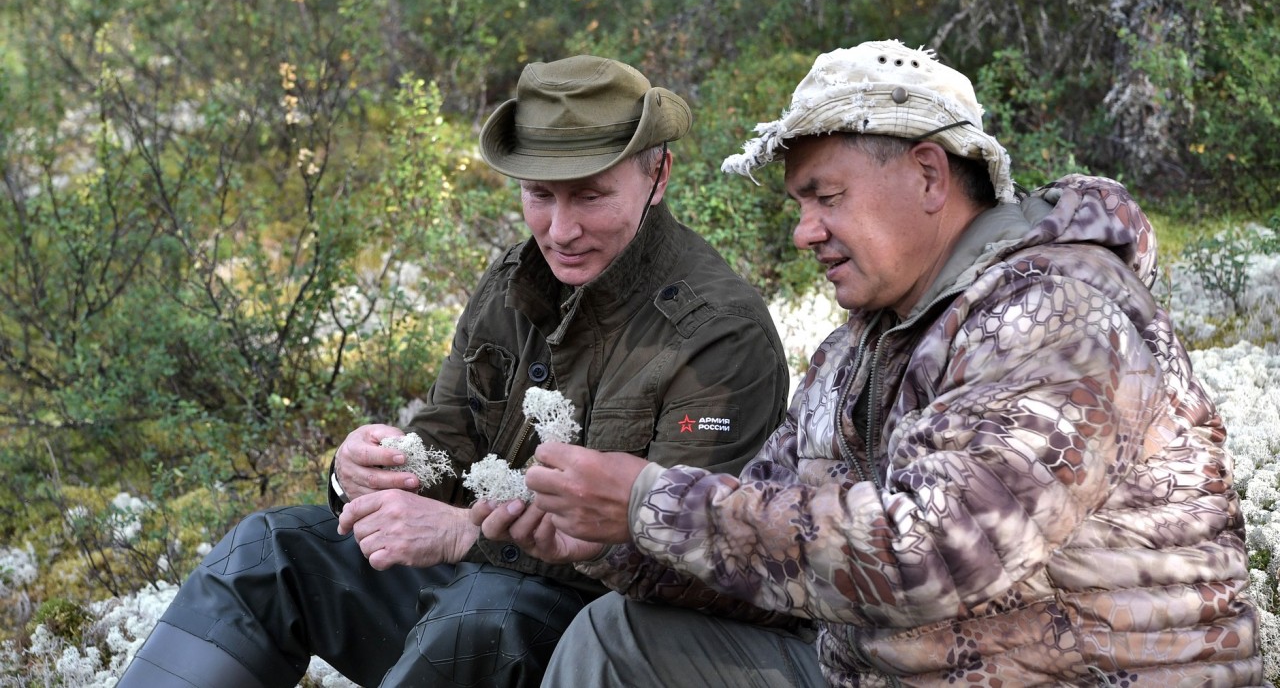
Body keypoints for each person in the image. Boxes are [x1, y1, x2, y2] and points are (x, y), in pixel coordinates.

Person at [475, 40, 1262, 684]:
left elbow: (937, 554)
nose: (805, 232)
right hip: (894, 668)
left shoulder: (1057, 314)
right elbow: (769, 554)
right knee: (620, 638)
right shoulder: (858, 349)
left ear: (927, 173)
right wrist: (613, 540)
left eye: (827, 197)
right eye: (800, 206)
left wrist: (651, 501)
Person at [117, 55, 791, 688]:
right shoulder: (515, 282)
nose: (559, 230)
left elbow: (692, 562)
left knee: (482, 619)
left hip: (589, 635)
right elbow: (447, 442)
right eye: (537, 195)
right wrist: (365, 471)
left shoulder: (719, 333)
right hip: (471, 588)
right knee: (268, 553)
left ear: (659, 175)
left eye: (589, 196)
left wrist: (466, 533)